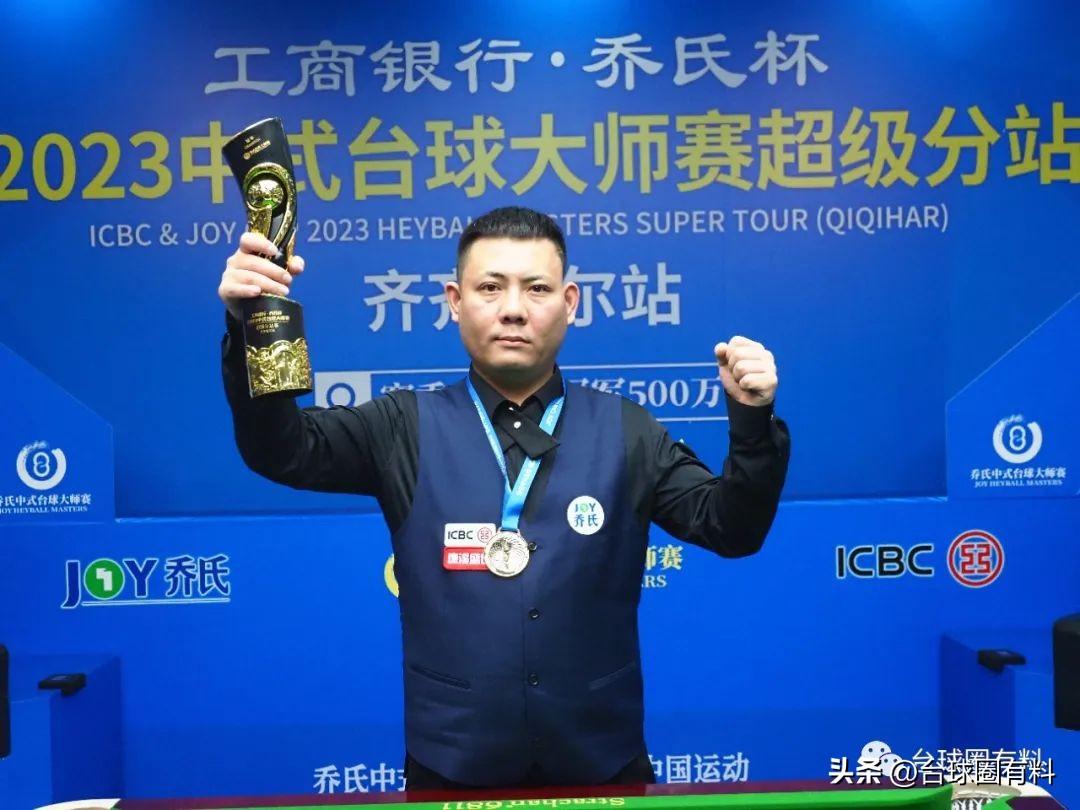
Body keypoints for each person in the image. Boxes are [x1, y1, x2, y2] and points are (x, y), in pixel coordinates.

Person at [219, 206, 790, 789]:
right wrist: (253, 325)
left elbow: (731, 528)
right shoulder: (401, 426)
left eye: (536, 288)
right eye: (490, 287)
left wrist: (751, 422)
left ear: (569, 302)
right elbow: (282, 450)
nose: (513, 308)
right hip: (451, 767)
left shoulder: (626, 428)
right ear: (454, 301)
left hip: (601, 765)